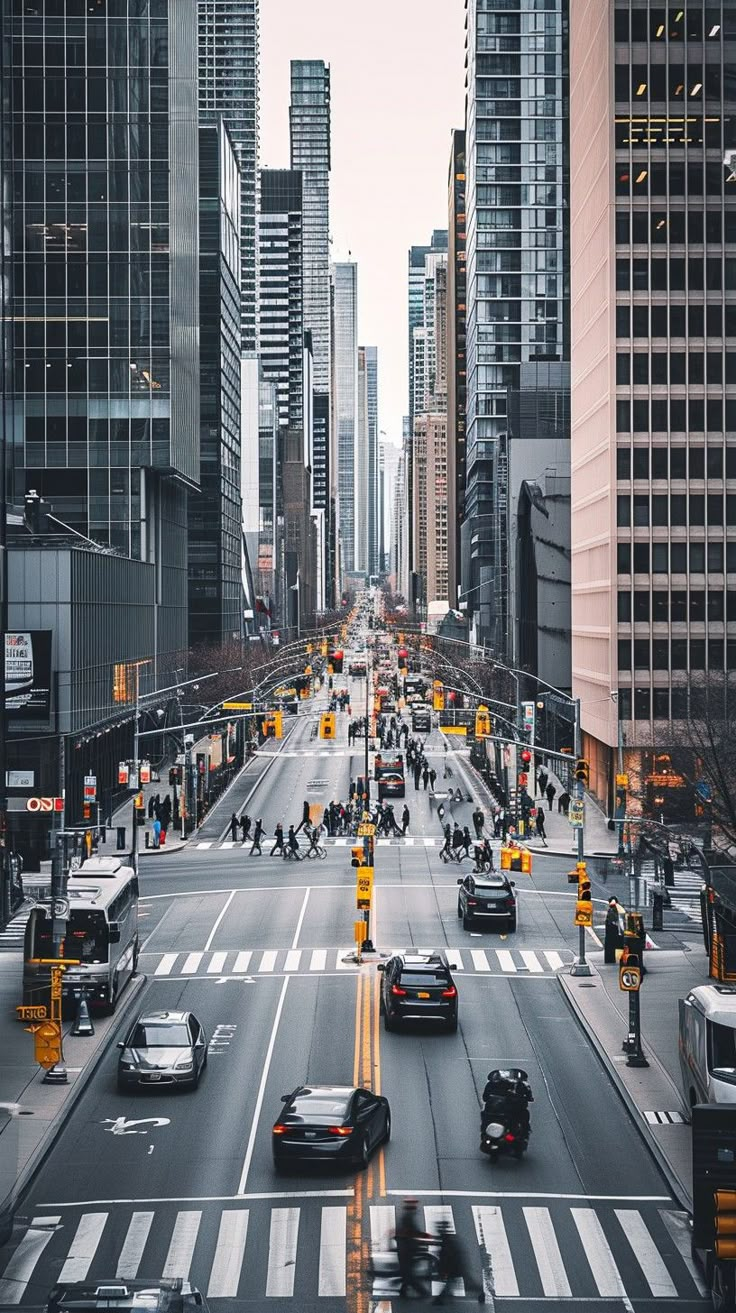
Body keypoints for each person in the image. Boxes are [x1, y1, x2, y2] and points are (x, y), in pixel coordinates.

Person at [432, 1220, 486, 1306]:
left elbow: (446, 1258)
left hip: (454, 1267)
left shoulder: (445, 1241)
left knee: (461, 1284)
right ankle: (441, 1299)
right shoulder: (448, 1239)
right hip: (457, 1266)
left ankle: (439, 1300)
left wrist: (443, 1269)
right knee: (464, 1283)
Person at [395, 1198, 428, 1299]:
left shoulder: (406, 1217)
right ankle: (422, 1292)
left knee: (406, 1271)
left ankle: (403, 1291)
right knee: (408, 1272)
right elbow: (411, 1231)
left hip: (405, 1248)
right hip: (406, 1249)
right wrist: (424, 1235)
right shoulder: (408, 1218)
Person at [604, 897, 625, 964]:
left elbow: (613, 921)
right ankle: (611, 959)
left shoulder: (612, 911)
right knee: (614, 946)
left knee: (611, 946)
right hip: (613, 930)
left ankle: (610, 959)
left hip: (612, 931)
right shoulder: (617, 910)